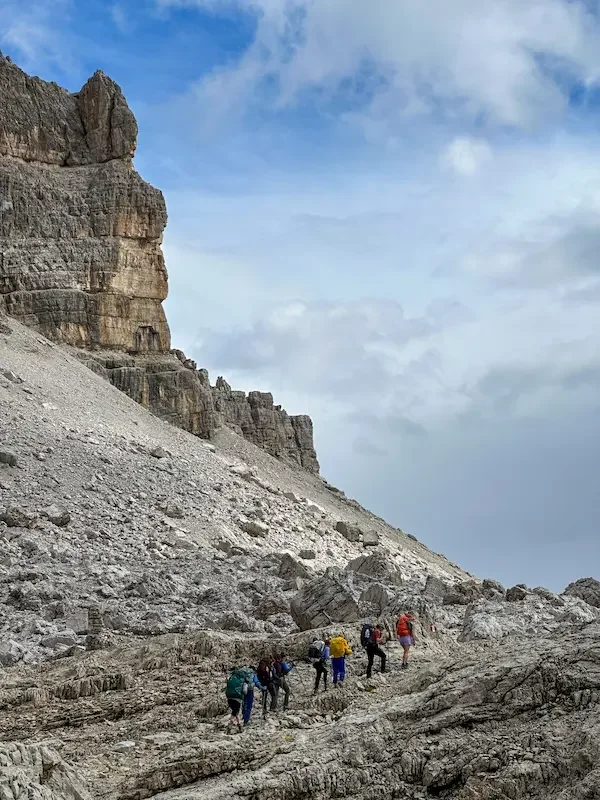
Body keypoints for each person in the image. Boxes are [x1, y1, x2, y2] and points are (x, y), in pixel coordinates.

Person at [225, 666, 253, 734]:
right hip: (237, 697)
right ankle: (230, 726)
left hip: (229, 696)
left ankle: (240, 726)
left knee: (235, 711)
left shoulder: (232, 677)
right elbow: (245, 691)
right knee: (235, 712)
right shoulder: (243, 680)